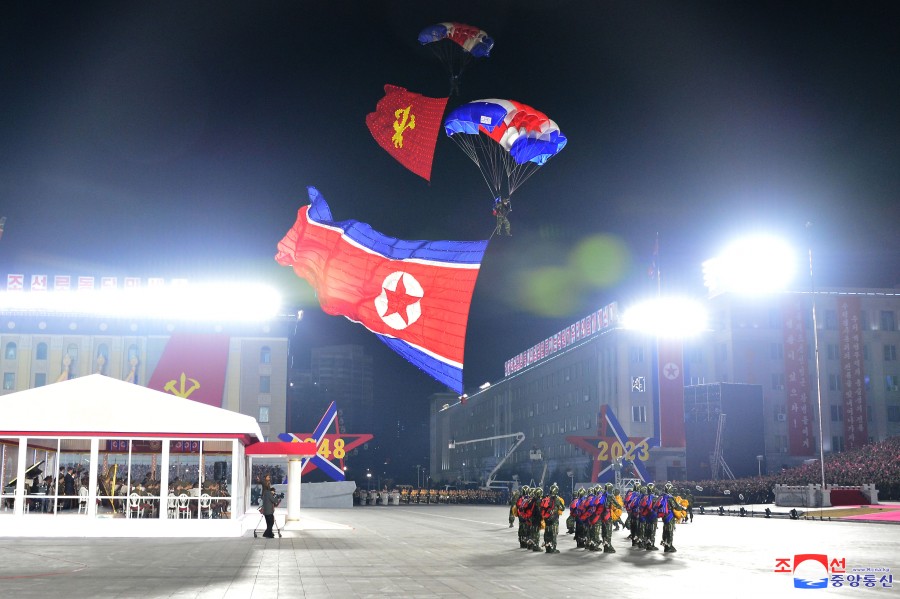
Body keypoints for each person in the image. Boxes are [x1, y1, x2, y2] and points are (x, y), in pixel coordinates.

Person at [539, 483, 566, 554]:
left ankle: (547, 548)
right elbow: (563, 508)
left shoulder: (546, 499)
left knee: (547, 532)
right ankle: (553, 548)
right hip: (554, 520)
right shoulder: (557, 499)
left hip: (546, 519)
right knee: (553, 533)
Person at [260, 473, 279, 539]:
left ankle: (270, 533)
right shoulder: (269, 494)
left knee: (268, 523)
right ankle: (266, 533)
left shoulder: (265, 494)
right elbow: (274, 501)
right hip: (269, 512)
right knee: (271, 523)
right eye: (274, 491)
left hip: (266, 512)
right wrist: (277, 497)